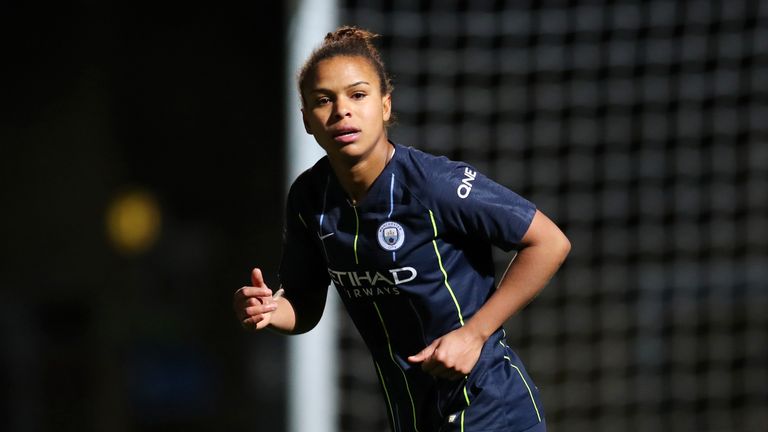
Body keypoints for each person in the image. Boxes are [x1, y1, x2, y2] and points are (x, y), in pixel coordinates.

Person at [233, 26, 570, 432]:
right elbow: (304, 306)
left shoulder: (433, 184)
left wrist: (473, 335)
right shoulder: (308, 198)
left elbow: (549, 241)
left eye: (358, 95)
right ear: (306, 119)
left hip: (489, 407)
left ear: (385, 106)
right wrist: (269, 310)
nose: (342, 110)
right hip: (412, 415)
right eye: (324, 100)